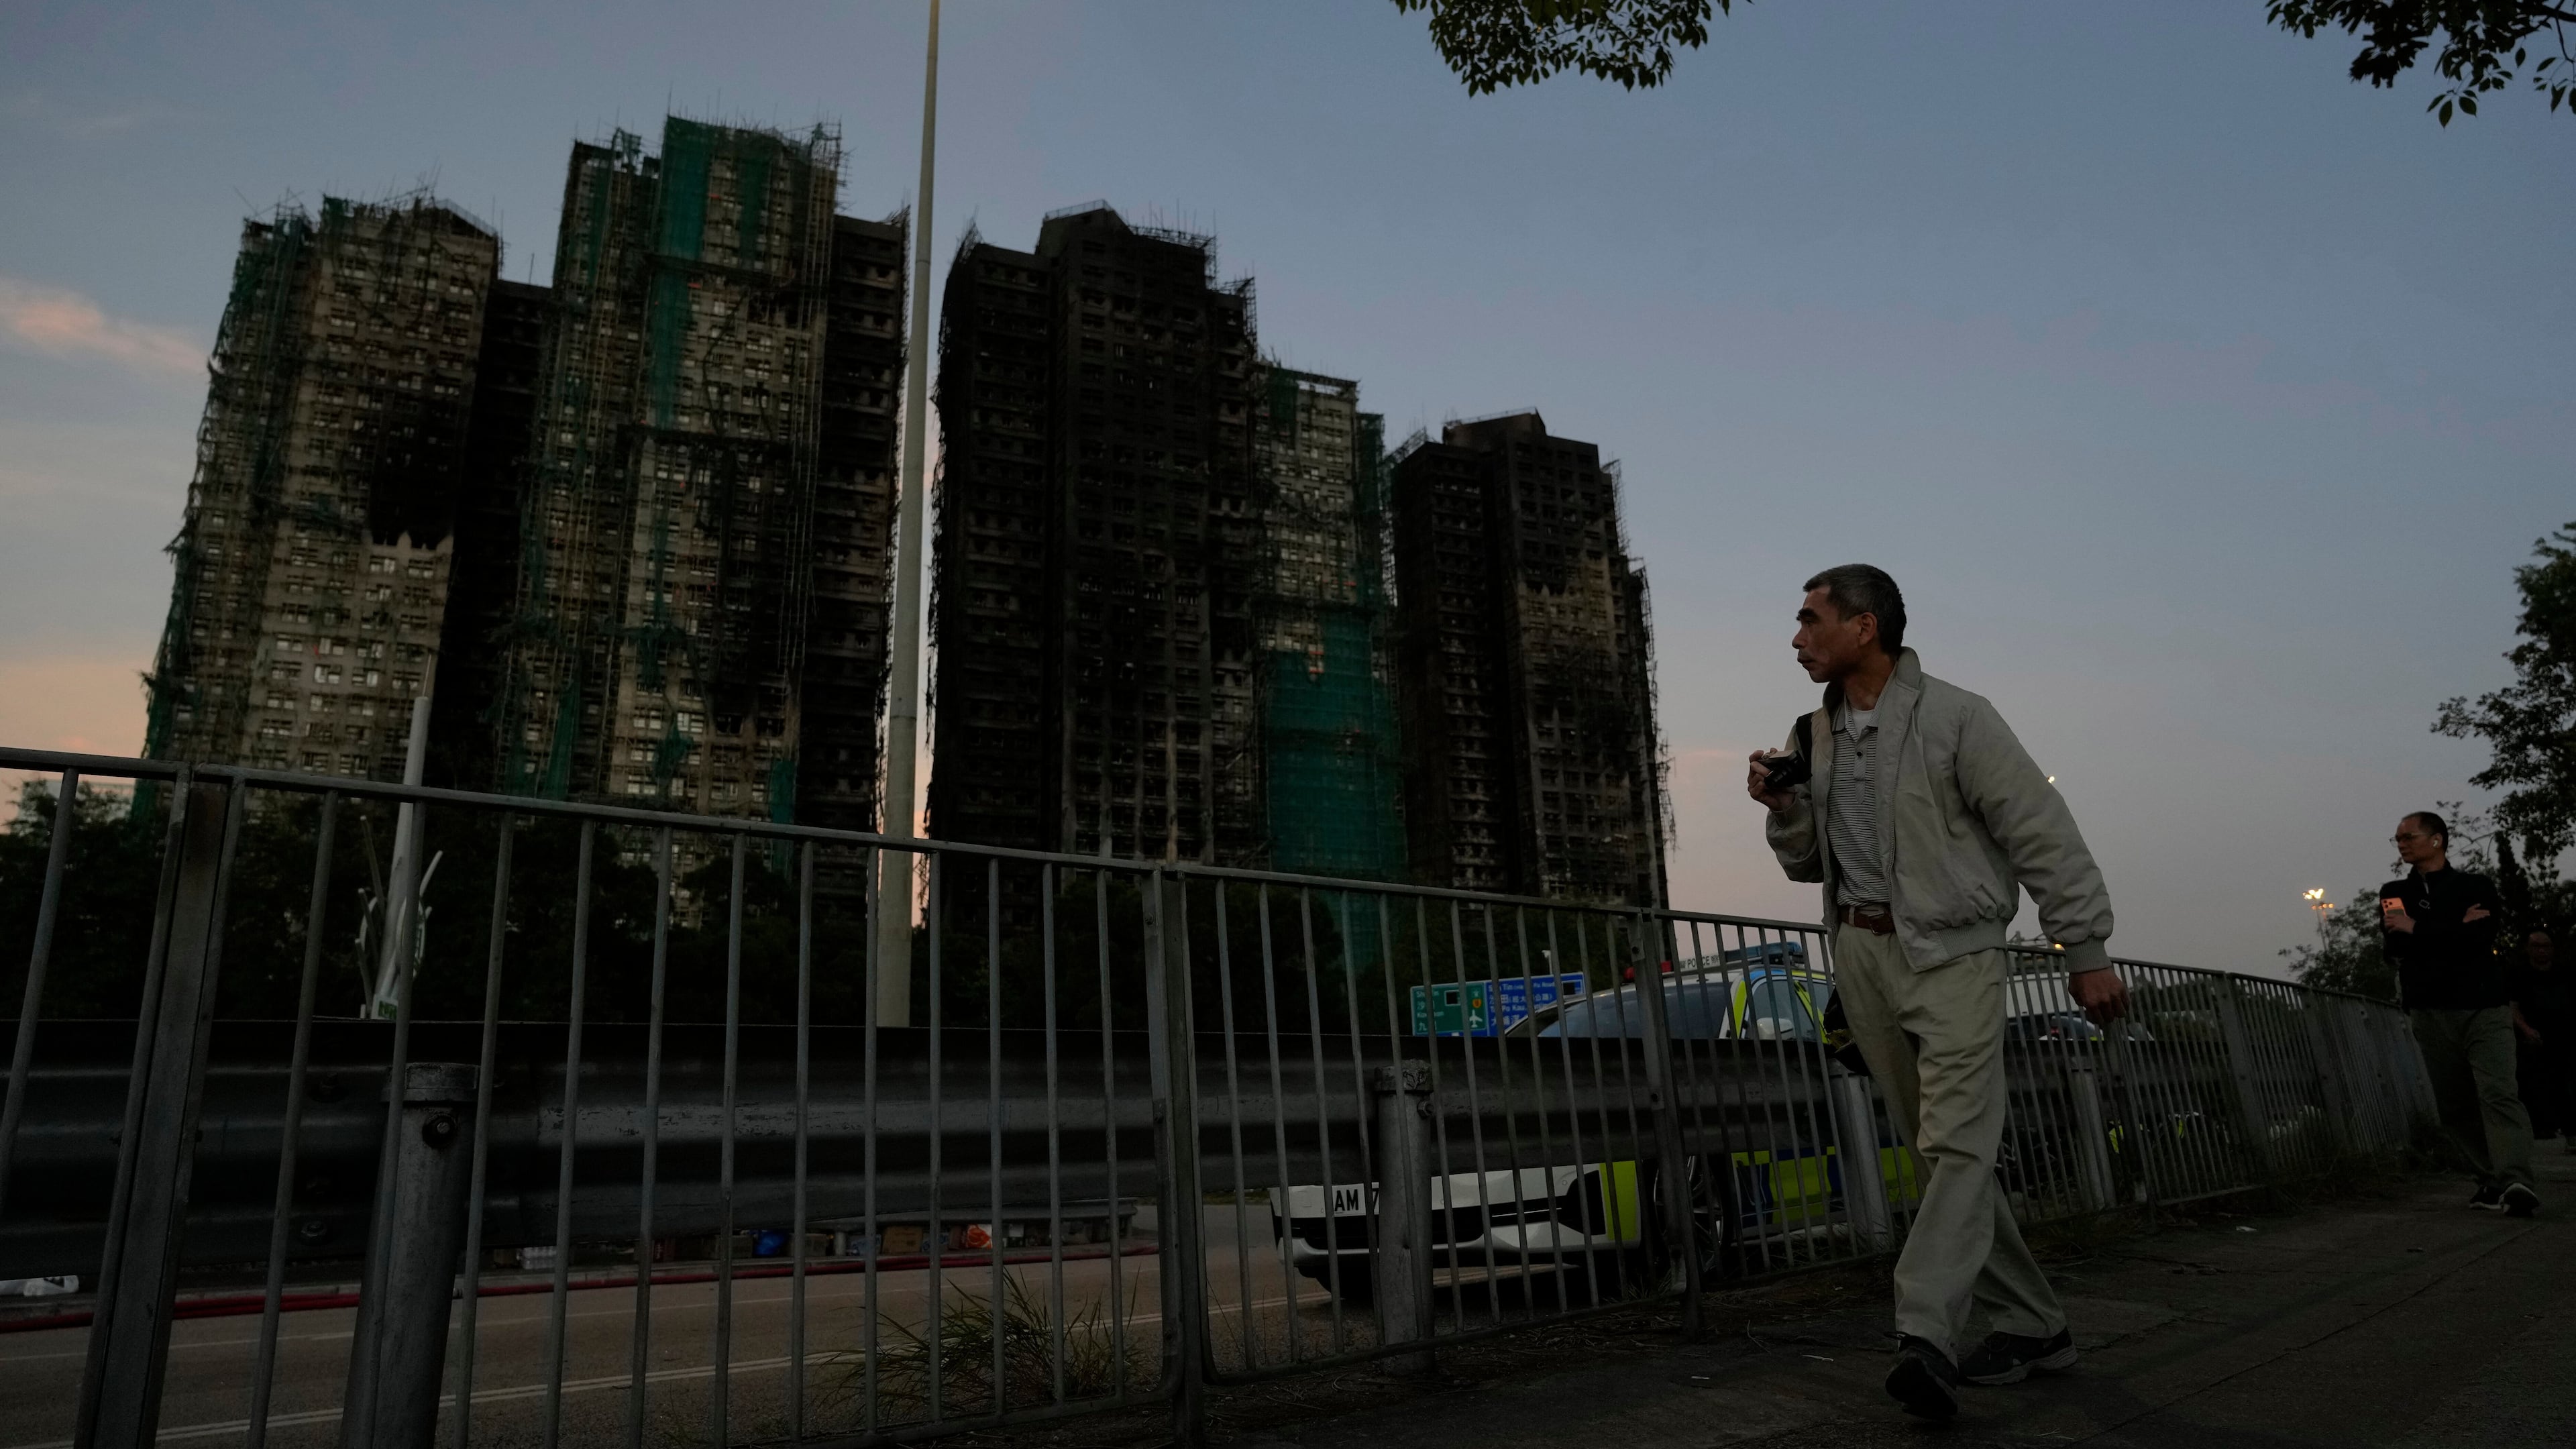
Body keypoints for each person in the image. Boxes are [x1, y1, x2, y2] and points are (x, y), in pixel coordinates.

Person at [1747, 565, 2125, 1421]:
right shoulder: (1812, 733)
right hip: (1865, 955)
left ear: (1864, 627)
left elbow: (2041, 830)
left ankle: (1924, 1334)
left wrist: (2087, 949)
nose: (1797, 636)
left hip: (1953, 956)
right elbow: (1811, 862)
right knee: (1938, 1153)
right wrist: (1782, 809)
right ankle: (2033, 1323)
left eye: (1811, 619)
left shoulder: (1958, 716)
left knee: (1957, 1145)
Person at [2379, 814, 2538, 1216]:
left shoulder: (2476, 886)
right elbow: (2396, 945)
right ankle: (2490, 1181)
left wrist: (2419, 928)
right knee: (2455, 1104)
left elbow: (2480, 939)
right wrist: (2449, 928)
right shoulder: (2394, 890)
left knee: (2499, 1093)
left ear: (2436, 840)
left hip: (2484, 1007)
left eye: (2408, 836)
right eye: (2397, 838)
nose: (2400, 843)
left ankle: (2516, 1179)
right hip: (2430, 1010)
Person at [2510, 926, 2574, 1152]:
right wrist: (2526, 1030)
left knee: (2565, 1085)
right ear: (2528, 949)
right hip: (2532, 1040)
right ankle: (2539, 1130)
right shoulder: (2520, 974)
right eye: (2536, 946)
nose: (2542, 951)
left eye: (2546, 946)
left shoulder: (2564, 972)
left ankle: (2571, 1133)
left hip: (2564, 1037)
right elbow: (2513, 1007)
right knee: (2533, 1084)